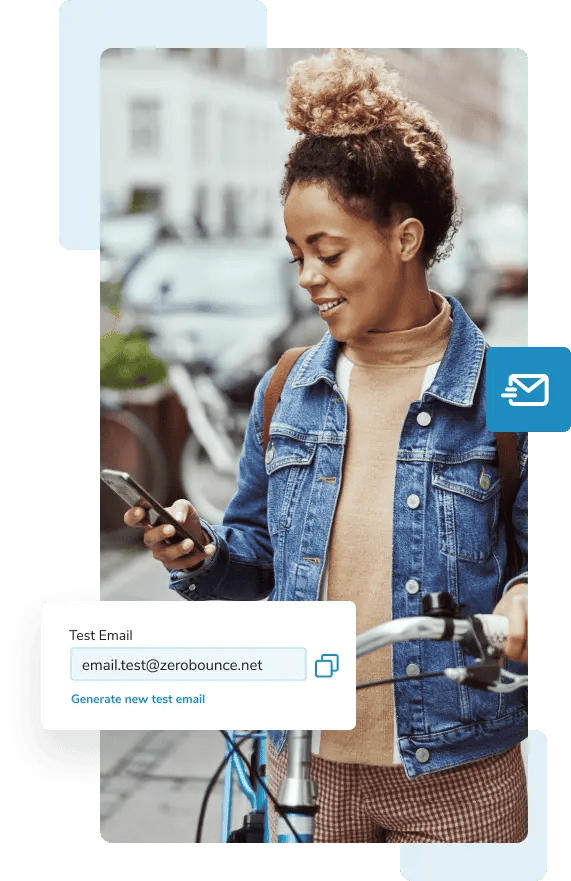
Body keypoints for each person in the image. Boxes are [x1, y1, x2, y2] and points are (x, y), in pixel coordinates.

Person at [125, 49, 528, 843]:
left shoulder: (524, 383)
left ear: (405, 237)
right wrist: (200, 556)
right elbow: (256, 554)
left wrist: (525, 599)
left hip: (460, 774)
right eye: (296, 254)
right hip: (304, 766)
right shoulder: (286, 385)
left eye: (329, 250)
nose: (307, 276)